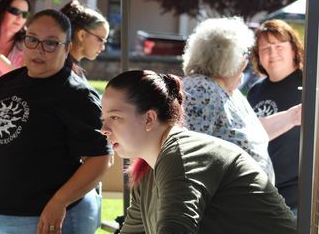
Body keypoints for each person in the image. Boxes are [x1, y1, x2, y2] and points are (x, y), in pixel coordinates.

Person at [0, 9, 112, 234]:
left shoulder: (77, 95)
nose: (39, 49)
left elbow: (100, 159)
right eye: (32, 40)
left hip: (40, 220)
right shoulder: (6, 83)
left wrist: (58, 203)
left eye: (51, 43)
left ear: (67, 49)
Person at [100, 70, 295, 233]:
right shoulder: (149, 172)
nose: (104, 129)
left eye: (115, 117)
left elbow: (175, 229)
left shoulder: (181, 155)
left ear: (149, 119)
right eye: (104, 118)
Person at [181, 17, 301, 184]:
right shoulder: (200, 90)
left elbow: (253, 133)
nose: (247, 61)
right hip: (227, 205)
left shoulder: (230, 91)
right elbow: (190, 158)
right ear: (225, 58)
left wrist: (292, 116)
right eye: (244, 53)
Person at [247, 19, 303, 215]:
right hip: (260, 195)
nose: (272, 53)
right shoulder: (255, 91)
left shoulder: (309, 84)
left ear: (294, 50)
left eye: (279, 46)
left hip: (296, 200)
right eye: (265, 48)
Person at [60, 0, 109, 79]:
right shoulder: (64, 72)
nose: (103, 47)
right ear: (82, 35)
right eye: (101, 40)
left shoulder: (68, 67)